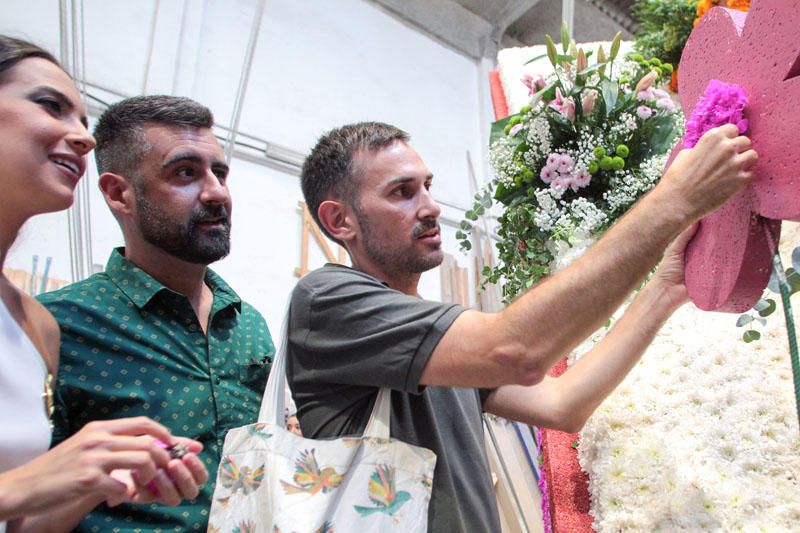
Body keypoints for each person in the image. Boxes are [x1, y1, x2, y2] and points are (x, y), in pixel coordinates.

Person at [288, 121, 757, 531]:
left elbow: (562, 404)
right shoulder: (326, 301)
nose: (430, 206)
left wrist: (665, 288)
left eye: (427, 186)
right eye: (402, 192)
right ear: (339, 220)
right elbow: (519, 349)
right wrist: (674, 200)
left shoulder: (439, 343)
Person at [37, 95, 275, 531]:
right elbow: (24, 515)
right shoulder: (57, 325)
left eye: (219, 173)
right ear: (118, 193)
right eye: (185, 173)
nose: (217, 192)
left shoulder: (248, 324)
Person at [0, 36, 208, 533]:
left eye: (84, 122)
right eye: (51, 106)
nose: (84, 138)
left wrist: (95, 478)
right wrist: (19, 487)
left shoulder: (36, 327)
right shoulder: (71, 317)